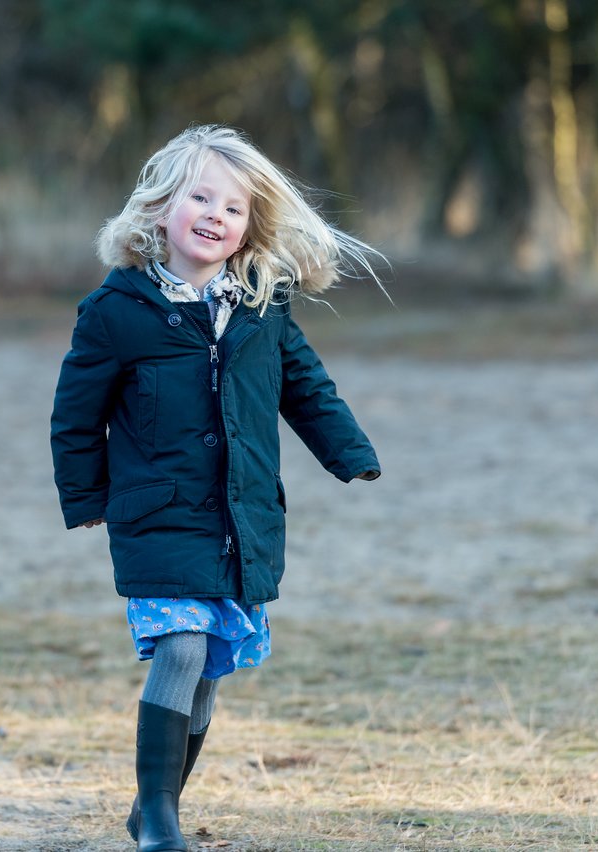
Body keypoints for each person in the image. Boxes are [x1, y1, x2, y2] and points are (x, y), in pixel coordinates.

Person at [50, 124, 382, 852]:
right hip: (157, 512)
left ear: (248, 227)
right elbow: (75, 414)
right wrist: (83, 498)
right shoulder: (115, 311)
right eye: (200, 197)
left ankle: (151, 807)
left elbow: (307, 388)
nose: (215, 215)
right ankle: (161, 823)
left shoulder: (264, 308)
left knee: (207, 670)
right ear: (160, 208)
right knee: (181, 649)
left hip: (240, 516)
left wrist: (349, 452)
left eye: (233, 208)